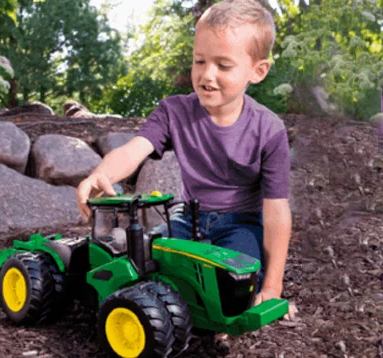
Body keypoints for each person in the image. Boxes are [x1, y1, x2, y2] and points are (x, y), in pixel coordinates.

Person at [77, 0, 297, 318]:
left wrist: (273, 290)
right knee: (153, 261)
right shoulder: (173, 111)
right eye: (199, 61)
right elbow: (133, 150)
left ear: (257, 71)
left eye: (223, 65)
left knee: (234, 277)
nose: (207, 75)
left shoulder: (269, 130)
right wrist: (103, 173)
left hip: (241, 225)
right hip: (187, 220)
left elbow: (276, 212)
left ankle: (218, 318)